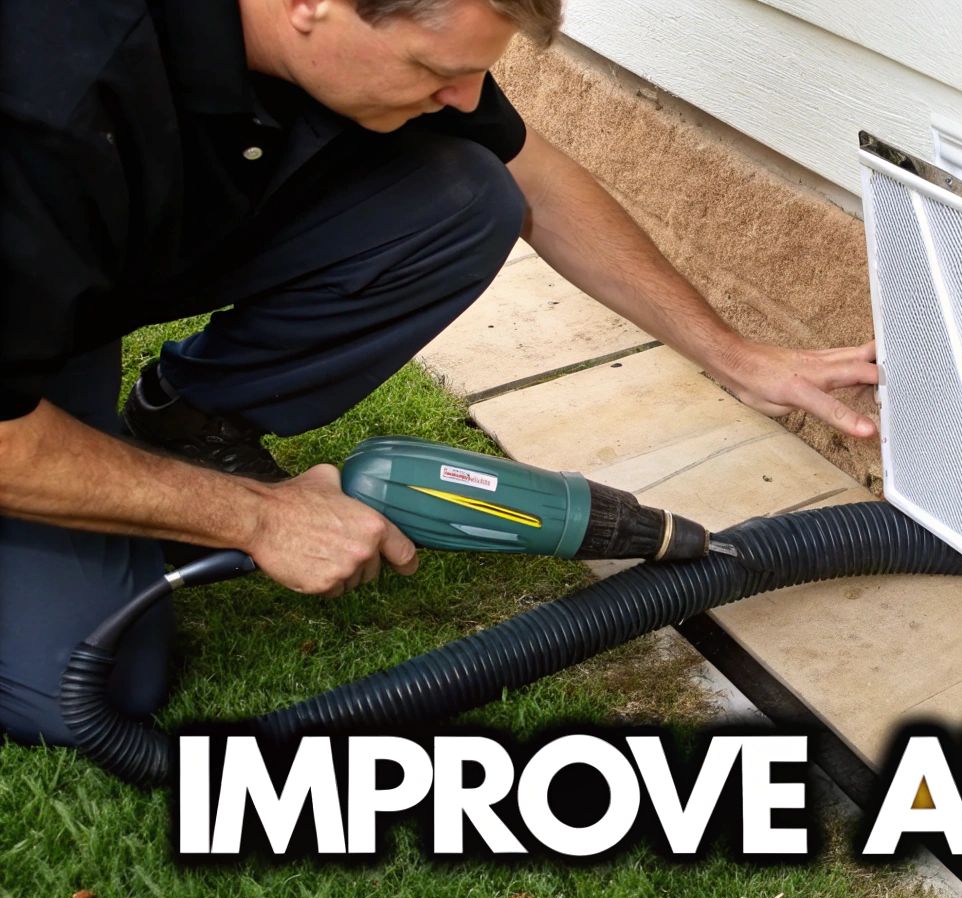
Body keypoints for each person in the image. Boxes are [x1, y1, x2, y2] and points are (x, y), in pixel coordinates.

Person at [0, 0, 879, 744]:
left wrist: (735, 358)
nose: (464, 96)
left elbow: (536, 178)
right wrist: (257, 518)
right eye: (435, 69)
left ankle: (183, 425)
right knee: (96, 685)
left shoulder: (358, 42)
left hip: (69, 265)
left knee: (466, 193)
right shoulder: (48, 94)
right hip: (35, 303)